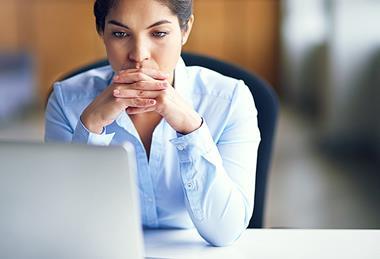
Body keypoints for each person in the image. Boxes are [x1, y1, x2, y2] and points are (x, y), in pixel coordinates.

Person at [45, 0, 260, 246]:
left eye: (159, 33)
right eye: (120, 34)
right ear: (101, 32)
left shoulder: (230, 100)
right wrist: (90, 127)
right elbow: (65, 227)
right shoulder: (66, 101)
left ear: (185, 30)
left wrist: (191, 130)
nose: (139, 55)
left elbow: (225, 231)